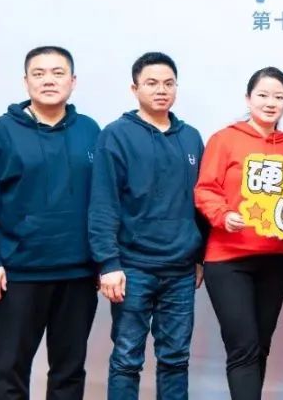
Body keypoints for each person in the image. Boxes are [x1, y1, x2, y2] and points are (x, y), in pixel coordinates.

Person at [0, 46, 100, 400]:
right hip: (20, 272)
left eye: (58, 73)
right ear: (26, 82)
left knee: (70, 371)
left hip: (78, 272)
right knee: (11, 370)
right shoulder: (0, 132)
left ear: (73, 81)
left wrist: (105, 259)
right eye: (39, 74)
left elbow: (104, 201)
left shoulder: (90, 131)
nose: (48, 81)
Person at [88, 52, 208, 399]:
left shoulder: (191, 137)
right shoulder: (116, 135)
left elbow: (200, 202)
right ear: (135, 88)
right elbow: (103, 204)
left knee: (176, 359)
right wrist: (108, 264)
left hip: (180, 270)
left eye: (169, 83)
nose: (161, 90)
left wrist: (199, 257)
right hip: (132, 268)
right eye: (152, 83)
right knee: (127, 359)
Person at [195, 67, 283, 400]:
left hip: (275, 260)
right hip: (228, 259)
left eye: (278, 97)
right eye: (263, 95)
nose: (270, 103)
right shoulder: (224, 139)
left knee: (260, 346)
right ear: (248, 98)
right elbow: (205, 189)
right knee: (243, 347)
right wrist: (224, 215)